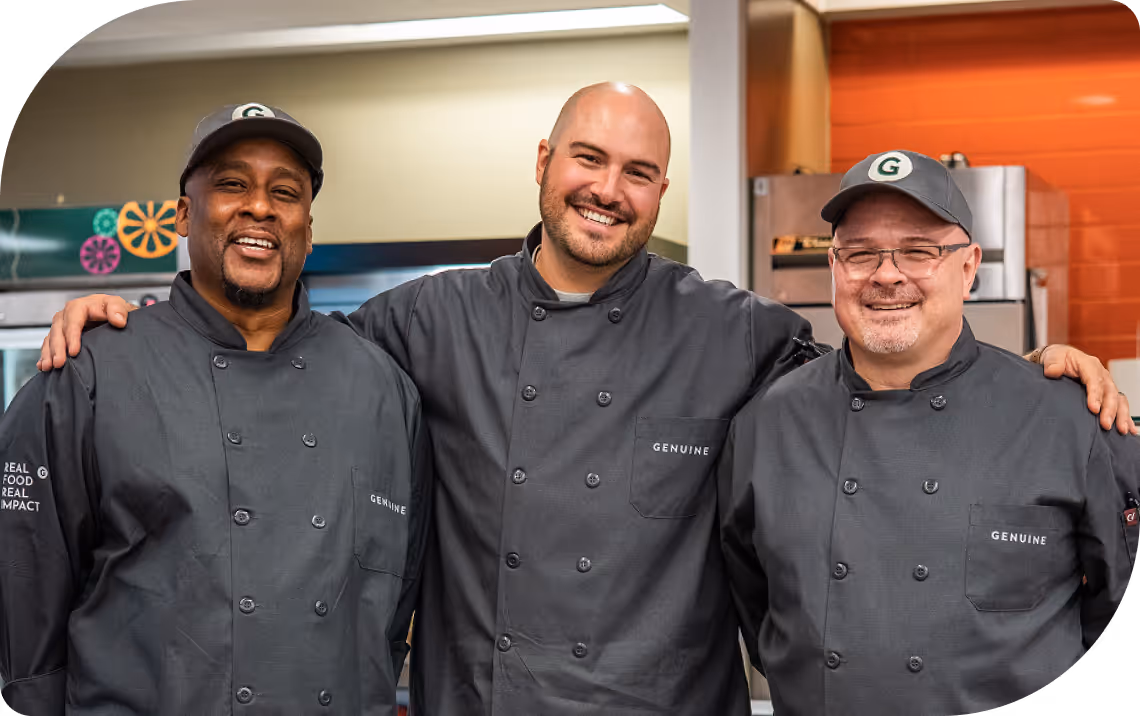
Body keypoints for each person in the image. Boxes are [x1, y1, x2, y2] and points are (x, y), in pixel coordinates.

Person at [36, 87, 1134, 715]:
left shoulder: (733, 327)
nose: (609, 187)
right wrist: (143, 318)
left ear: (662, 192)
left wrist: (1032, 373)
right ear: (544, 161)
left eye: (639, 171)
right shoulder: (427, 318)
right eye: (589, 158)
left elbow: (883, 383)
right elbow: (271, 348)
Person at [0, 103, 430, 715]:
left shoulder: (384, 389)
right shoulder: (89, 374)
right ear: (181, 213)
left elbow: (392, 612)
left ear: (309, 227)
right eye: (232, 184)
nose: (260, 206)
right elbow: (26, 619)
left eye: (286, 191)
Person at [719, 150, 1140, 716]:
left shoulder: (1069, 419)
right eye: (860, 254)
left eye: (919, 251)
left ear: (968, 268)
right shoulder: (765, 425)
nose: (887, 274)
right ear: (835, 270)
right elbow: (759, 609)